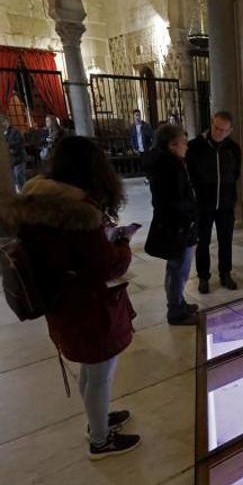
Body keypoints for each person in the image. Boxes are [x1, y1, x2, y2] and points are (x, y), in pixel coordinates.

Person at [0, 136, 140, 459]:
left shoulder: (36, 199)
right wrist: (122, 244)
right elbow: (106, 265)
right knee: (100, 373)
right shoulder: (79, 214)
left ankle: (98, 420)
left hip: (63, 303)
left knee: (91, 370)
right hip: (89, 307)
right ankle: (101, 440)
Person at [144, 123, 198, 325]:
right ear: (172, 145)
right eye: (184, 142)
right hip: (179, 227)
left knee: (177, 268)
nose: (187, 146)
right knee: (178, 270)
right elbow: (173, 201)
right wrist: (193, 212)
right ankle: (176, 312)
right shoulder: (169, 167)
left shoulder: (169, 163)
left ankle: (178, 302)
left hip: (178, 225)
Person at [186, 110, 241, 293]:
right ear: (211, 123)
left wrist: (231, 198)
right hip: (203, 204)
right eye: (216, 127)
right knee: (203, 241)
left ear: (230, 130)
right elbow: (191, 175)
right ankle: (203, 277)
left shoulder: (233, 148)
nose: (218, 132)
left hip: (225, 204)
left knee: (226, 240)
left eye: (223, 130)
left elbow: (236, 174)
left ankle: (225, 274)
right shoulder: (195, 146)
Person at [1, 114, 27, 191]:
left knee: (19, 177)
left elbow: (20, 142)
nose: (2, 124)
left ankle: (24, 193)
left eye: (3, 122)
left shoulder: (15, 131)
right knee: (14, 180)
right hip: (10, 160)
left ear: (7, 122)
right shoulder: (2, 133)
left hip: (18, 158)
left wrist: (7, 145)